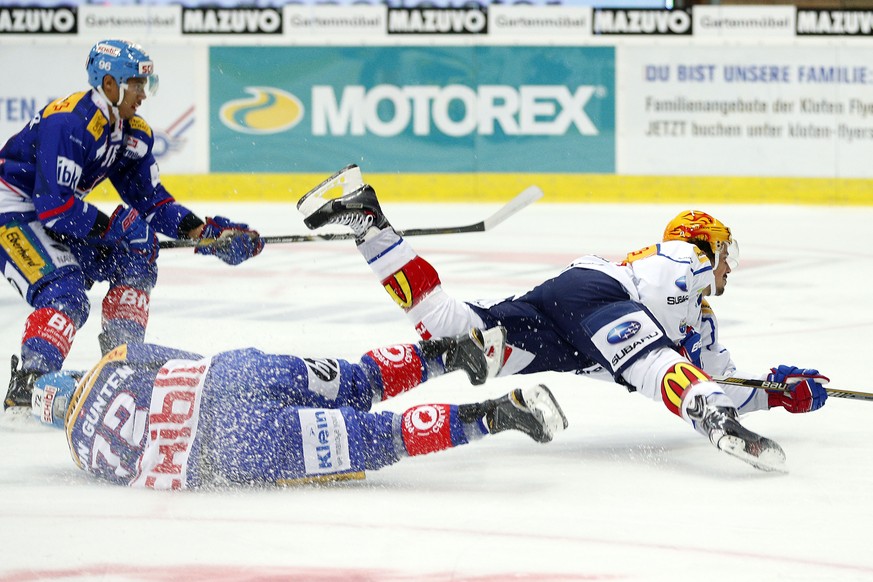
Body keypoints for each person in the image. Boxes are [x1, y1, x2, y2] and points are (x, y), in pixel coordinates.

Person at [296, 164, 830, 472]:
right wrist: (709, 399)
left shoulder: (703, 322)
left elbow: (718, 381)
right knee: (650, 362)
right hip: (593, 296)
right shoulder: (680, 257)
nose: (730, 267)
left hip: (568, 337)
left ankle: (370, 227)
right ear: (707, 245)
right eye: (727, 253)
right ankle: (713, 425)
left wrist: (775, 394)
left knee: (450, 334)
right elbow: (667, 360)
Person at [1, 39, 265, 410]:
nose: (143, 94)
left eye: (146, 84)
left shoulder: (131, 131)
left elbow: (153, 202)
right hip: (10, 211)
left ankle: (123, 363)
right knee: (66, 292)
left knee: (136, 253)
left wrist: (206, 234)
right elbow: (55, 207)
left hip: (49, 211)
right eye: (136, 85)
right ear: (109, 84)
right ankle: (29, 386)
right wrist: (114, 227)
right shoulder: (69, 124)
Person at [25, 326, 567, 489]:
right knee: (353, 380)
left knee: (373, 438)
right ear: (69, 375)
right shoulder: (112, 360)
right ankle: (448, 354)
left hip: (234, 449)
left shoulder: (83, 454)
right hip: (231, 378)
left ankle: (498, 414)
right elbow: (180, 358)